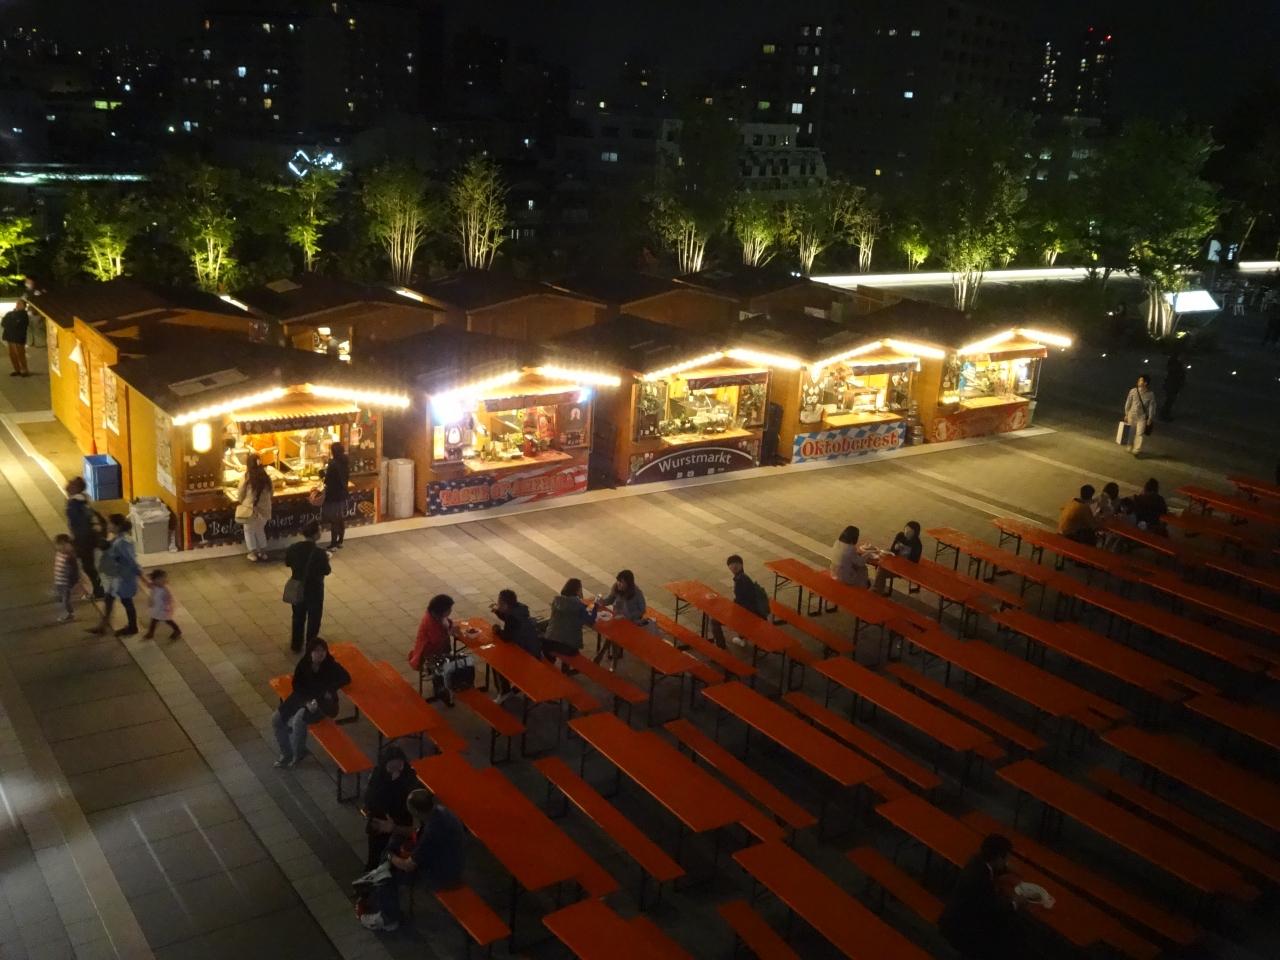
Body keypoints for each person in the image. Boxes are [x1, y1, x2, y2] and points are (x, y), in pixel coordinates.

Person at [361, 789, 466, 933]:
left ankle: (388, 918)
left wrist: (390, 856)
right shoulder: (439, 812)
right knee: (395, 842)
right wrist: (393, 828)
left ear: (415, 811)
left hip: (442, 874)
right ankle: (383, 894)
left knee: (387, 875)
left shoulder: (433, 832)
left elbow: (408, 866)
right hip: (450, 860)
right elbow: (416, 832)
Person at [938, 834, 1029, 960]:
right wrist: (1015, 903)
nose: (1007, 861)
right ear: (999, 858)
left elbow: (991, 870)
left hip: (953, 919)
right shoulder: (981, 882)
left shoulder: (976, 861)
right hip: (961, 930)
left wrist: (1006, 868)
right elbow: (993, 912)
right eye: (1006, 858)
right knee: (1010, 933)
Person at [272, 638, 351, 768]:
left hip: (322, 702)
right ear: (310, 652)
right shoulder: (304, 664)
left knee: (298, 720)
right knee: (276, 719)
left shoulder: (330, 665)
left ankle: (298, 754)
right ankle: (286, 753)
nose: (321, 654)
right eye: (317, 651)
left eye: (323, 650)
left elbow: (346, 678)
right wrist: (306, 701)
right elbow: (297, 685)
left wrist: (330, 690)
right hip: (302, 696)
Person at [362, 745, 423, 869]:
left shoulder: (409, 775)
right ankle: (373, 867)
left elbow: (413, 798)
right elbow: (370, 799)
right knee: (376, 849)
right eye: (391, 767)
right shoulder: (378, 775)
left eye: (399, 766)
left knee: (397, 848)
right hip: (380, 819)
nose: (396, 770)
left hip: (401, 819)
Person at [89, 515, 142, 637]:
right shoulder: (118, 539)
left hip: (123, 577)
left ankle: (132, 627)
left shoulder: (122, 542)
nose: (108, 526)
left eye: (110, 523)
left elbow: (131, 560)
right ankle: (103, 625)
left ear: (117, 526)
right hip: (117, 576)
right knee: (110, 598)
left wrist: (141, 575)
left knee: (126, 601)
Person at [284, 521, 331, 652]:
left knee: (298, 617)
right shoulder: (319, 553)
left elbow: (287, 563)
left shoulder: (293, 548)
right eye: (319, 530)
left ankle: (296, 644)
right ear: (315, 534)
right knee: (314, 619)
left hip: (298, 588)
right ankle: (311, 645)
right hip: (315, 590)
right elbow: (326, 570)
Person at [491, 589, 540, 703]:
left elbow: (506, 637)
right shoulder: (520, 609)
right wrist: (498, 612)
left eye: (499, 603)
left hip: (527, 656)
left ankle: (505, 692)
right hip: (534, 649)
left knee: (496, 662)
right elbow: (509, 618)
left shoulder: (512, 618)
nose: (498, 604)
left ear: (505, 605)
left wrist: (497, 630)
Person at [711, 555, 770, 648]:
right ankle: (742, 638)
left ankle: (721, 647)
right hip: (754, 614)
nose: (734, 566)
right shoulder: (744, 577)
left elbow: (741, 603)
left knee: (714, 621)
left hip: (748, 616)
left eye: (736, 564)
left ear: (741, 565)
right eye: (731, 564)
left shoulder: (741, 581)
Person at [409, 594, 456, 703]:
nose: (450, 611)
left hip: (438, 649)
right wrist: (449, 631)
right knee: (448, 665)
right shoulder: (430, 622)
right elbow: (437, 640)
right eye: (449, 609)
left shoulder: (436, 616)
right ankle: (440, 688)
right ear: (441, 610)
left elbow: (447, 622)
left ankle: (443, 685)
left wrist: (449, 626)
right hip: (429, 653)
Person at [593, 569, 648, 664]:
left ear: (628, 583)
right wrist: (602, 602)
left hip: (631, 621)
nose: (618, 584)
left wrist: (628, 616)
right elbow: (610, 599)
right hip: (617, 618)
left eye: (621, 582)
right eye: (618, 581)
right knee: (612, 632)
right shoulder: (616, 588)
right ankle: (611, 658)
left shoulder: (637, 593)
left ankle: (604, 654)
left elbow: (642, 610)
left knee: (613, 633)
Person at [64, 477, 104, 598]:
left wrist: (77, 541)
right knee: (85, 565)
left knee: (83, 565)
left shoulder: (75, 504)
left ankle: (96, 589)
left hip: (83, 540)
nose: (67, 485)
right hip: (86, 539)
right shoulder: (83, 501)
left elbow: (80, 524)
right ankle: (95, 589)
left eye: (70, 484)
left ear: (75, 488)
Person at [543, 578, 598, 663]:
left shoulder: (557, 601)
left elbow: (570, 605)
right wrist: (594, 607)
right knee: (573, 651)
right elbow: (590, 620)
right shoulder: (578, 606)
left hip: (549, 641)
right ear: (578, 591)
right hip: (568, 646)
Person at [237, 452, 273, 561]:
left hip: (250, 509)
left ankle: (253, 554)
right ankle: (263, 553)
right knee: (260, 529)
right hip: (265, 510)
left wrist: (242, 502)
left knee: (249, 531)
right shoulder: (266, 477)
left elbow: (240, 493)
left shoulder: (246, 477)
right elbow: (271, 492)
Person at [872, 521, 923, 595]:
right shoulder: (900, 536)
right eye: (905, 530)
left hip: (905, 568)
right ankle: (877, 591)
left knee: (881, 572)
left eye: (909, 532)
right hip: (894, 564)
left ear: (915, 533)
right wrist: (895, 548)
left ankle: (876, 592)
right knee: (880, 567)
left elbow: (914, 563)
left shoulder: (917, 544)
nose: (906, 533)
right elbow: (892, 551)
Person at [320, 441, 350, 551]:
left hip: (334, 495)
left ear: (333, 452)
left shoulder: (333, 464)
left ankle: (333, 544)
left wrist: (322, 474)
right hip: (343, 494)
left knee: (334, 520)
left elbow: (327, 480)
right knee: (340, 519)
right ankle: (340, 541)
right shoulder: (345, 461)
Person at [1122, 373, 1156, 457]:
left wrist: (1150, 418)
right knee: (1131, 432)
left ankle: (1136, 449)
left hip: (1142, 417)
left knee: (1140, 433)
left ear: (1145, 383)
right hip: (1132, 415)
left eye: (1140, 380)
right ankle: (1129, 446)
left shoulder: (1150, 394)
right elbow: (1128, 402)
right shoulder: (1133, 391)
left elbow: (1152, 407)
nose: (1138, 381)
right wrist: (1126, 413)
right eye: (1139, 380)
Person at [142, 569, 181, 640]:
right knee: (154, 619)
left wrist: (168, 606)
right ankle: (150, 633)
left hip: (163, 609)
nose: (163, 581)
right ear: (155, 580)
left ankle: (177, 630)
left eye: (164, 579)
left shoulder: (165, 589)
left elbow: (170, 598)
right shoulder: (154, 585)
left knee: (167, 620)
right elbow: (148, 584)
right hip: (157, 607)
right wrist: (142, 577)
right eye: (160, 579)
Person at [52, 534, 80, 623]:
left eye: (59, 545)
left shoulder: (70, 557)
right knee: (63, 598)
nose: (57, 547)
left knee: (65, 600)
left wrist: (73, 583)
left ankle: (70, 614)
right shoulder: (59, 553)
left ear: (65, 544)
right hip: (59, 581)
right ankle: (68, 612)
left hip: (66, 583)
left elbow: (75, 572)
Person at [2, 301, 30, 376]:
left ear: (24, 306)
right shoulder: (10, 313)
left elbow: (19, 325)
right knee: (12, 355)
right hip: (9, 337)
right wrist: (12, 323)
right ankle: (17, 370)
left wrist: (10, 324)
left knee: (20, 354)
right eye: (17, 303)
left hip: (18, 338)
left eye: (20, 304)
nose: (18, 305)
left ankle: (24, 370)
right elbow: (3, 323)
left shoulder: (24, 315)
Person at [1160, 349, 1187, 421]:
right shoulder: (1175, 364)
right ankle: (1164, 415)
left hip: (1173, 384)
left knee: (1170, 400)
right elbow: (1176, 374)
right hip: (1172, 385)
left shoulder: (1176, 363)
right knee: (1169, 400)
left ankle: (1165, 414)